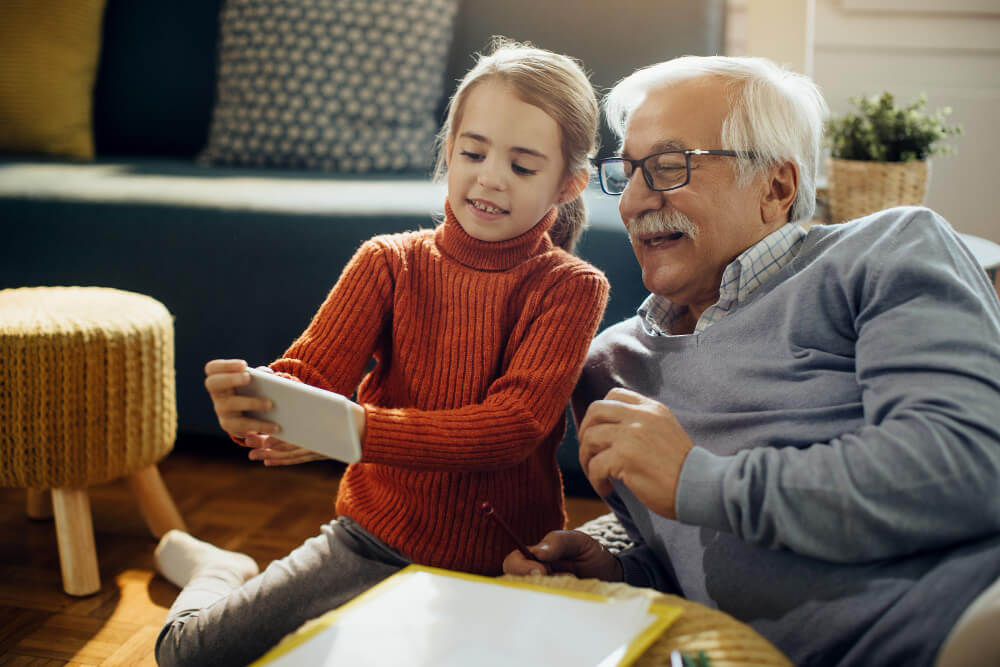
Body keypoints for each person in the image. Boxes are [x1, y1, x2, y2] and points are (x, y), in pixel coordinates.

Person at [502, 55, 1000, 667]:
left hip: (958, 625)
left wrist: (699, 481)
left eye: (666, 166)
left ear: (777, 187)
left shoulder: (887, 250)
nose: (632, 201)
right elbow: (691, 555)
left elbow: (967, 469)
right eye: (626, 171)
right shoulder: (611, 365)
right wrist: (619, 570)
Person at [153, 40, 609, 666]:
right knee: (185, 655)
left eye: (523, 167)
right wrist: (259, 405)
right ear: (448, 151)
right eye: (473, 152)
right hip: (370, 541)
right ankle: (219, 568)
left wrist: (357, 431)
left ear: (570, 183)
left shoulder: (571, 287)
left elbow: (512, 427)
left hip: (501, 566)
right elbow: (308, 374)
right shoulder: (387, 261)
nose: (490, 177)